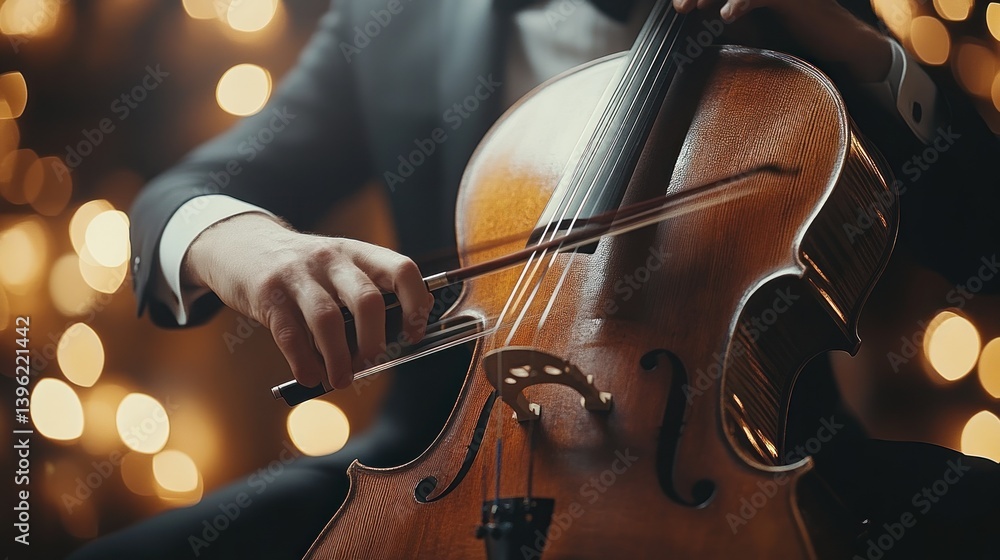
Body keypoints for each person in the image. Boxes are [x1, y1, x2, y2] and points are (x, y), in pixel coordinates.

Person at [71, 0, 1000, 558]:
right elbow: (179, 197)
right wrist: (250, 248)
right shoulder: (392, 20)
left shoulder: (796, 16)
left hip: (753, 450)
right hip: (438, 462)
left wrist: (867, 55)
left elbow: (979, 229)